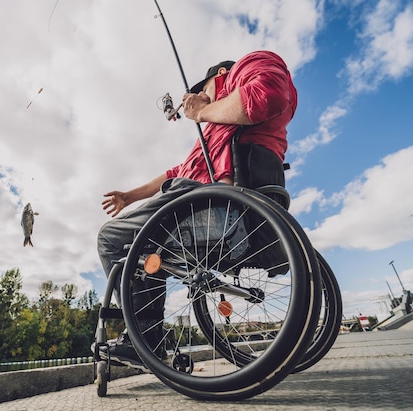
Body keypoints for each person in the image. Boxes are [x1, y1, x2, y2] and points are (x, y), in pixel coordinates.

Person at [96, 50, 298, 369]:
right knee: (148, 248)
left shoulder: (248, 67)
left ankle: (144, 339)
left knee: (110, 238)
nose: (196, 98)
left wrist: (204, 111)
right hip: (209, 208)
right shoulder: (216, 131)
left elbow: (265, 96)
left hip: (215, 207)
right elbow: (179, 170)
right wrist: (129, 197)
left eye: (201, 90)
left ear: (219, 75)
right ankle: (147, 335)